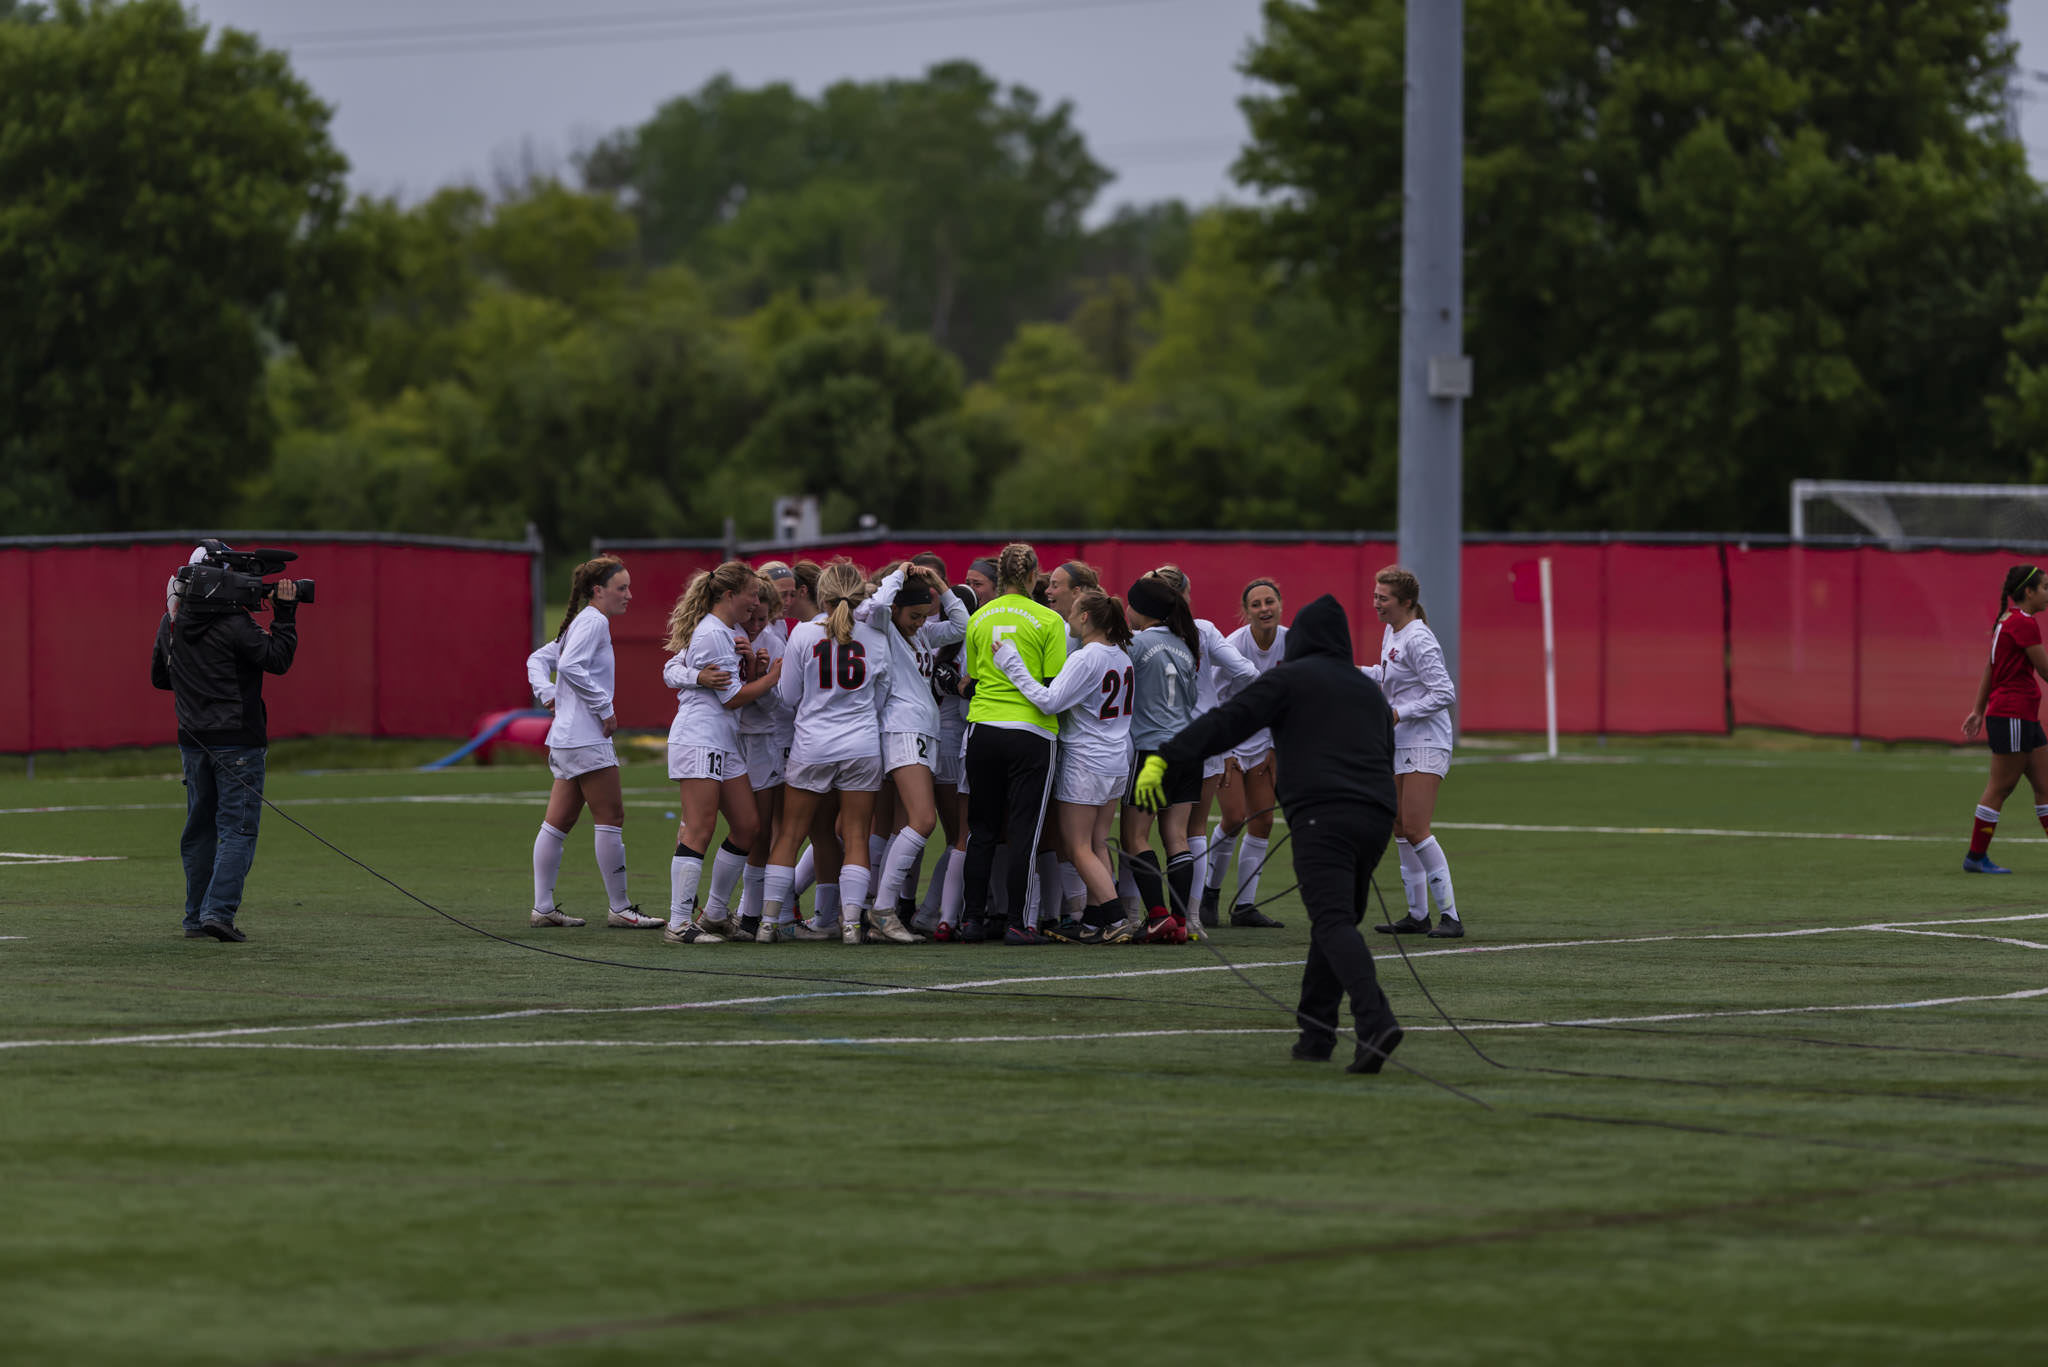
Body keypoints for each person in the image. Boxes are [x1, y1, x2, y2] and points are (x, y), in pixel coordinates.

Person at [1140, 595, 1405, 1075]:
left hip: (1323, 816)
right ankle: (1316, 1034)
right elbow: (1386, 749)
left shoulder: (1291, 679)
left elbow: (1228, 721)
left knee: (1331, 921)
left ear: (1301, 638)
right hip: (1375, 817)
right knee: (1336, 921)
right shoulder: (1368, 691)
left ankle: (1375, 1020)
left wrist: (1166, 757)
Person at [150, 551, 300, 942]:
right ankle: (218, 913)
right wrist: (284, 615)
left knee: (199, 830)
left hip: (193, 742)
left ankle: (196, 917)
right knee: (237, 829)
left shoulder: (173, 622)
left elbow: (160, 677)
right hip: (238, 741)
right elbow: (278, 659)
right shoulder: (235, 623)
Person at [766, 560, 908, 944]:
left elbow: (789, 696)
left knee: (790, 835)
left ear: (821, 593)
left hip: (812, 744)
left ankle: (767, 922)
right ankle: (850, 925)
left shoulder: (803, 634)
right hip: (862, 744)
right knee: (858, 836)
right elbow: (883, 695)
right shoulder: (878, 634)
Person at [994, 589, 1135, 944]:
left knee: (1077, 848)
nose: (1068, 618)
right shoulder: (1120, 655)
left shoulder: (1088, 657)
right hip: (1115, 757)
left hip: (1087, 759)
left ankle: (1117, 919)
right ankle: (1093, 921)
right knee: (1097, 843)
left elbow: (1049, 701)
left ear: (1086, 617)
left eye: (1073, 612)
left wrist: (1012, 662)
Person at [660, 562, 782, 944]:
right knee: (700, 827)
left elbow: (718, 686)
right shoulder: (713, 633)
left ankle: (713, 913)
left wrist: (751, 668)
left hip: (722, 740)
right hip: (700, 737)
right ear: (730, 595)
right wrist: (769, 679)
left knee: (747, 825)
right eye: (752, 594)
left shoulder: (726, 631)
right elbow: (730, 700)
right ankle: (679, 923)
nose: (756, 602)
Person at [523, 557, 642, 930]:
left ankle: (543, 907)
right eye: (621, 588)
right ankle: (621, 908)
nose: (628, 595)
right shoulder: (593, 621)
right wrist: (604, 707)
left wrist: (548, 694)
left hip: (566, 738)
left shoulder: (582, 622)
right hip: (585, 739)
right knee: (612, 817)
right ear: (598, 591)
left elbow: (537, 661)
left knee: (558, 823)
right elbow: (571, 665)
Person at [959, 543, 1068, 945]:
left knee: (981, 829)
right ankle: (1019, 923)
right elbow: (1053, 683)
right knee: (1024, 831)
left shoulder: (979, 617)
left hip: (983, 729)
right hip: (1031, 732)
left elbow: (973, 676)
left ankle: (971, 920)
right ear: (1033, 575)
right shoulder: (1049, 619)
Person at [1148, 566, 1258, 928]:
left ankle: (1138, 914)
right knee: (1192, 830)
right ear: (1185, 596)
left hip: (1153, 740)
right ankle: (1190, 918)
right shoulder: (1204, 631)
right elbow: (1246, 671)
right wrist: (1212, 697)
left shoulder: (1141, 633)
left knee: (1138, 834)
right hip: (1202, 739)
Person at [1363, 566, 1464, 938]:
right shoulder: (1393, 630)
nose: (1376, 603)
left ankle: (1450, 916)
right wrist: (1351, 671)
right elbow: (1389, 676)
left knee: (1417, 828)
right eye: (1375, 596)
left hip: (1426, 741)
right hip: (1401, 740)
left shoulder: (1419, 638)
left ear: (1405, 602)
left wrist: (1398, 712)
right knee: (1400, 827)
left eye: (1383, 598)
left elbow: (1444, 693)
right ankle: (1417, 914)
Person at [1120, 573, 1203, 945]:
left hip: (1152, 750)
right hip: (1187, 748)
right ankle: (1181, 921)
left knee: (1134, 836)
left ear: (1140, 610)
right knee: (1177, 837)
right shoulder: (1185, 644)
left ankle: (1156, 917)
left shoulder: (1136, 644)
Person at [1960, 564, 2048, 873]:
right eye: (2045, 588)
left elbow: (1990, 667)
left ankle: (1975, 857)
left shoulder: (2009, 619)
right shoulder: (2023, 623)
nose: (2047, 594)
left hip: (2023, 716)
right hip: (2012, 715)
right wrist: (1981, 709)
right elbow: (2046, 670)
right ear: (2029, 592)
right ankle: (1975, 857)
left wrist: (1978, 709)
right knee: (2001, 787)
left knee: (2045, 785)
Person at [1216, 578, 1289, 929]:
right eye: (1256, 604)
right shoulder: (1232, 645)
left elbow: (1292, 699)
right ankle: (1209, 896)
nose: (1264, 609)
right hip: (1229, 741)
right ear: (1246, 612)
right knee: (1232, 819)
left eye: (1269, 602)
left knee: (1262, 820)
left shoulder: (1293, 642)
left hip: (1263, 742)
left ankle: (1244, 905)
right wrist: (1225, 750)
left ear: (1280, 604)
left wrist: (1275, 745)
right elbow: (1213, 700)